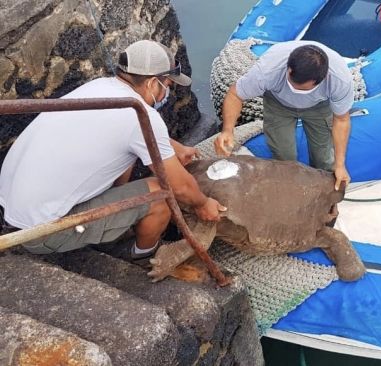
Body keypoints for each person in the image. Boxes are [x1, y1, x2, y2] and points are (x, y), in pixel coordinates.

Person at [0, 40, 226, 260]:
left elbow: (121, 134)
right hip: (39, 232)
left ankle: (119, 224)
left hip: (12, 207)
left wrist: (171, 146)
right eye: (166, 85)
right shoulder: (141, 114)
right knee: (162, 194)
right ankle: (141, 255)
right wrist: (203, 204)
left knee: (128, 160)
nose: (166, 93)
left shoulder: (98, 87)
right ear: (151, 83)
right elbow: (180, 186)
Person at [214, 41, 354, 190]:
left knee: (324, 156)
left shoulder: (339, 79)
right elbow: (235, 94)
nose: (293, 88)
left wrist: (340, 165)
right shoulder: (268, 70)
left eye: (301, 88)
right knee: (283, 154)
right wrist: (227, 131)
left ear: (320, 80)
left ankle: (325, 191)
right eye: (291, 81)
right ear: (289, 68)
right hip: (278, 103)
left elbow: (341, 119)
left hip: (318, 106)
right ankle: (290, 189)